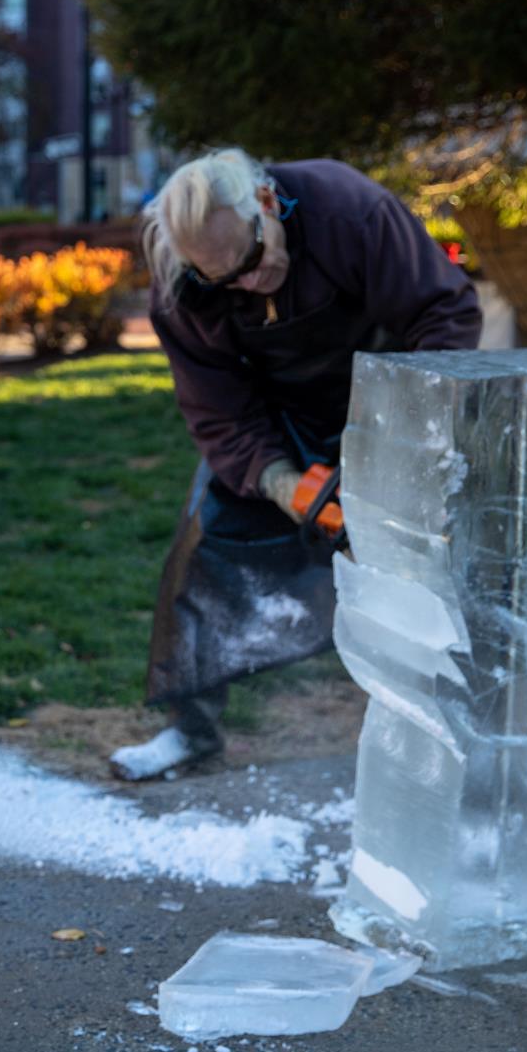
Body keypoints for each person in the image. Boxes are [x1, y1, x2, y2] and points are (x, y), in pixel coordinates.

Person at [111, 148, 481, 780]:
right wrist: (277, 479)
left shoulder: (349, 211)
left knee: (443, 561)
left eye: (252, 262)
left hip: (390, 396)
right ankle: (192, 733)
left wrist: (401, 441)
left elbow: (443, 316)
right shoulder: (182, 285)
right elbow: (218, 409)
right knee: (205, 546)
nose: (247, 285)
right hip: (278, 418)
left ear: (264, 203)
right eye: (224, 280)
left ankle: (469, 725)